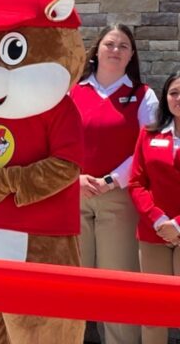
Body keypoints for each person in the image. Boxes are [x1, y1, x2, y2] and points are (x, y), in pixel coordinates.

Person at [69, 24, 158, 344]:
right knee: (72, 281)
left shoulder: (142, 95)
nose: (116, 50)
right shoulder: (73, 90)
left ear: (131, 55)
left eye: (123, 46)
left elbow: (144, 148)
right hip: (73, 194)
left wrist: (110, 180)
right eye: (110, 44)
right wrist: (74, 177)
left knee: (117, 280)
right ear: (97, 50)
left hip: (117, 198)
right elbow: (59, 139)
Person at [128, 71, 180, 344]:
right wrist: (158, 219)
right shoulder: (148, 135)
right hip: (153, 233)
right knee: (153, 310)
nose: (179, 98)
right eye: (174, 92)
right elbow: (136, 182)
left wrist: (177, 224)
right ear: (165, 98)